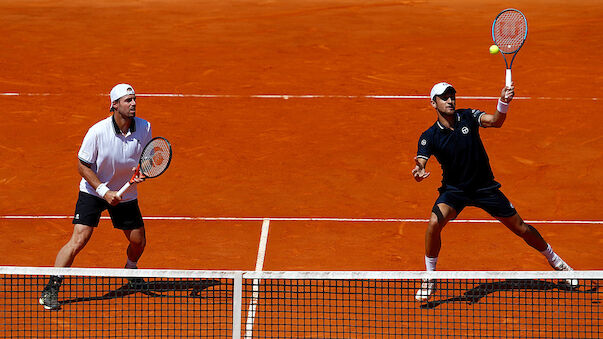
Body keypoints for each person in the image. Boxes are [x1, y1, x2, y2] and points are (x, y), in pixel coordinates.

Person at [412, 81, 576, 301]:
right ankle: (429, 277)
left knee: (521, 228)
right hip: (455, 191)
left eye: (452, 96)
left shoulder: (468, 116)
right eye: (444, 97)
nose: (450, 100)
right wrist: (419, 170)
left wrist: (503, 103)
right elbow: (421, 161)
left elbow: (495, 121)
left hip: (484, 187)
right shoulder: (429, 135)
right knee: (434, 223)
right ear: (434, 103)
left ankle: (557, 263)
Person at [39, 84, 152, 310]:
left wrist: (142, 172)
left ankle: (130, 269)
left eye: (134, 99)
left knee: (138, 241)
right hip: (94, 190)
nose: (133, 104)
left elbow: (146, 158)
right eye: (128, 100)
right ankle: (51, 288)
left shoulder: (144, 127)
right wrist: (104, 191)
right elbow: (83, 166)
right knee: (79, 239)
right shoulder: (98, 132)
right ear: (114, 105)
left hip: (124, 191)